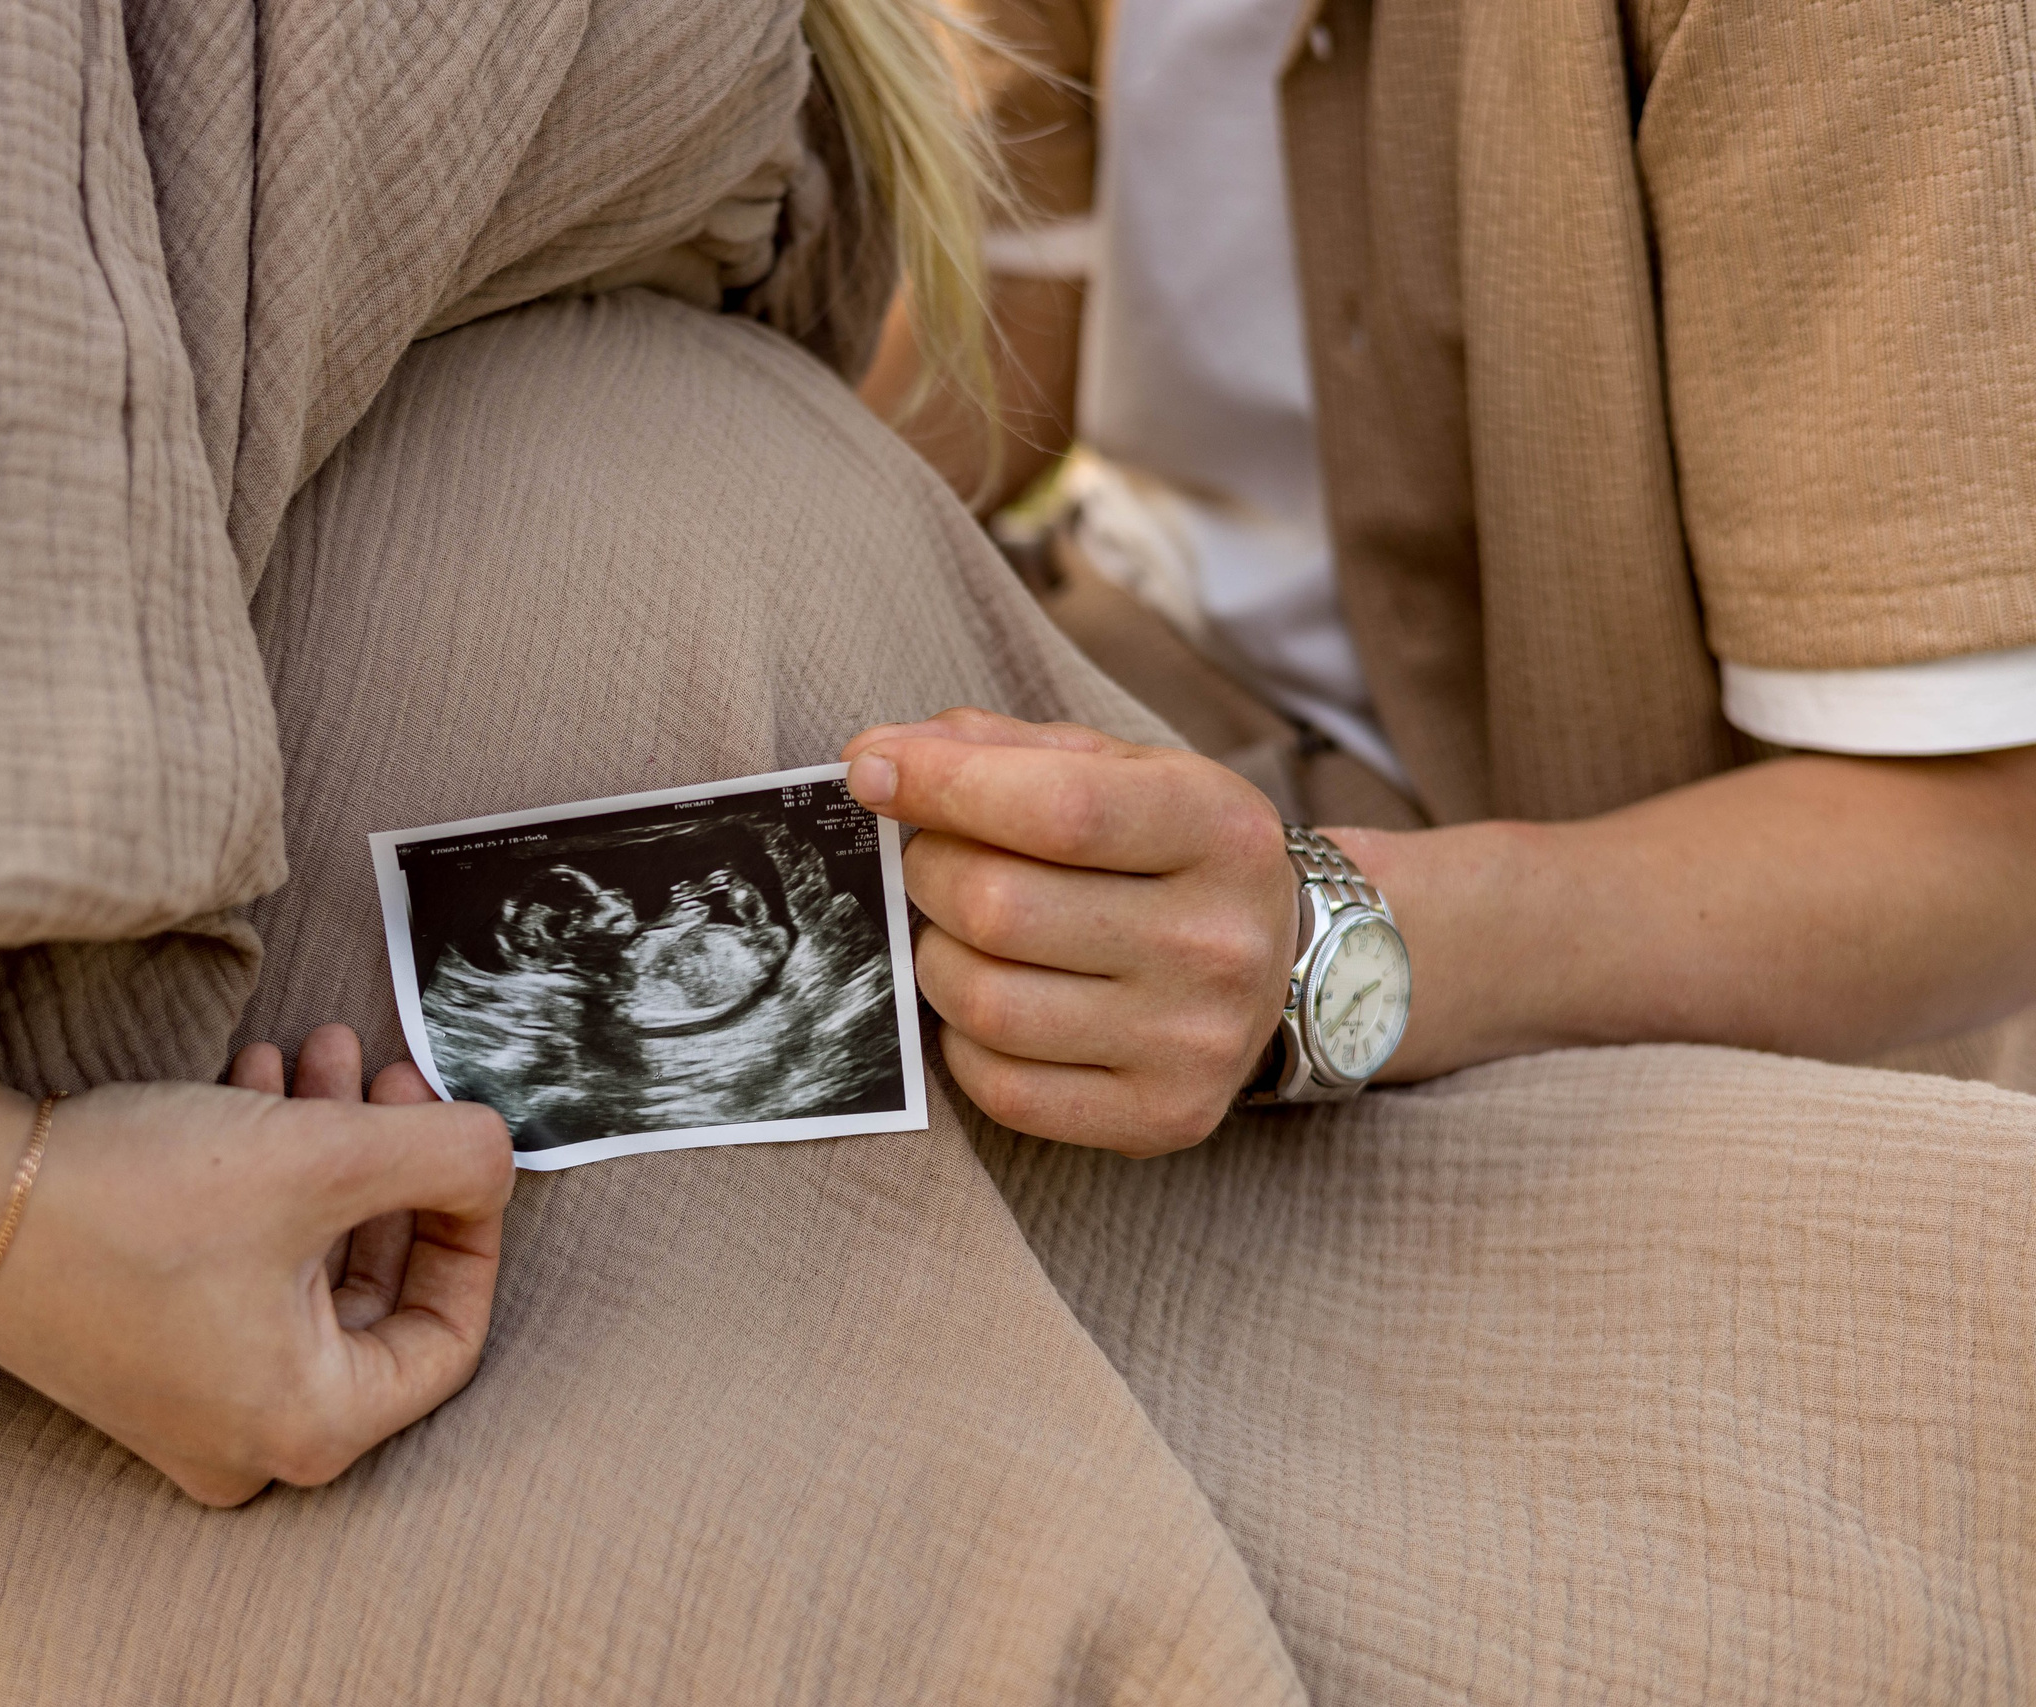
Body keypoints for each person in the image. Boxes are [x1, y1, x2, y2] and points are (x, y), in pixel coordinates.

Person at [0, 0, 2028, 1702]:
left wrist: (1340, 944)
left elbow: (1974, 839)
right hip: (1010, 888)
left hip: (1475, 947)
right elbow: (971, 392)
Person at [849, 0, 2036, 1160]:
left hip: (1597, 946)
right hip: (1123, 687)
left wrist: (1314, 948)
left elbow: (1989, 845)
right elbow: (999, 375)